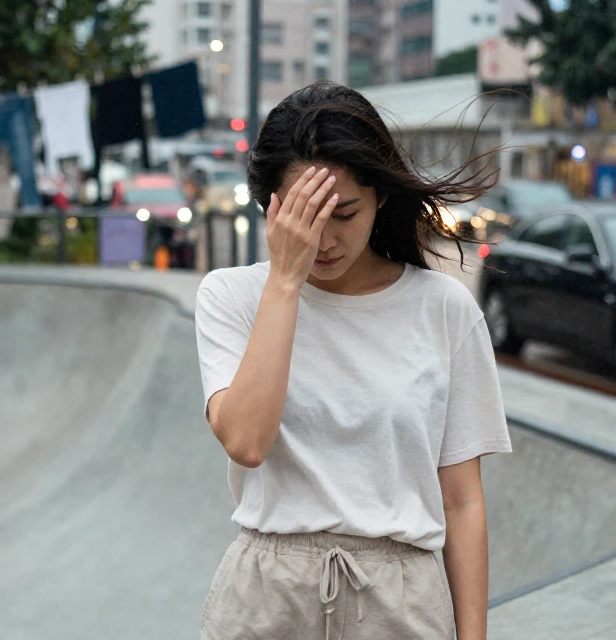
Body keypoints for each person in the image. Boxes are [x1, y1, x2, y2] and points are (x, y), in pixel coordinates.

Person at [193, 82, 511, 640]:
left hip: (401, 604)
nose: (325, 239)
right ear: (271, 207)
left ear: (381, 196)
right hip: (267, 601)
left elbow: (462, 502)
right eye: (304, 216)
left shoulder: (442, 309)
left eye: (344, 213)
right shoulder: (232, 298)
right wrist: (285, 282)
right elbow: (246, 441)